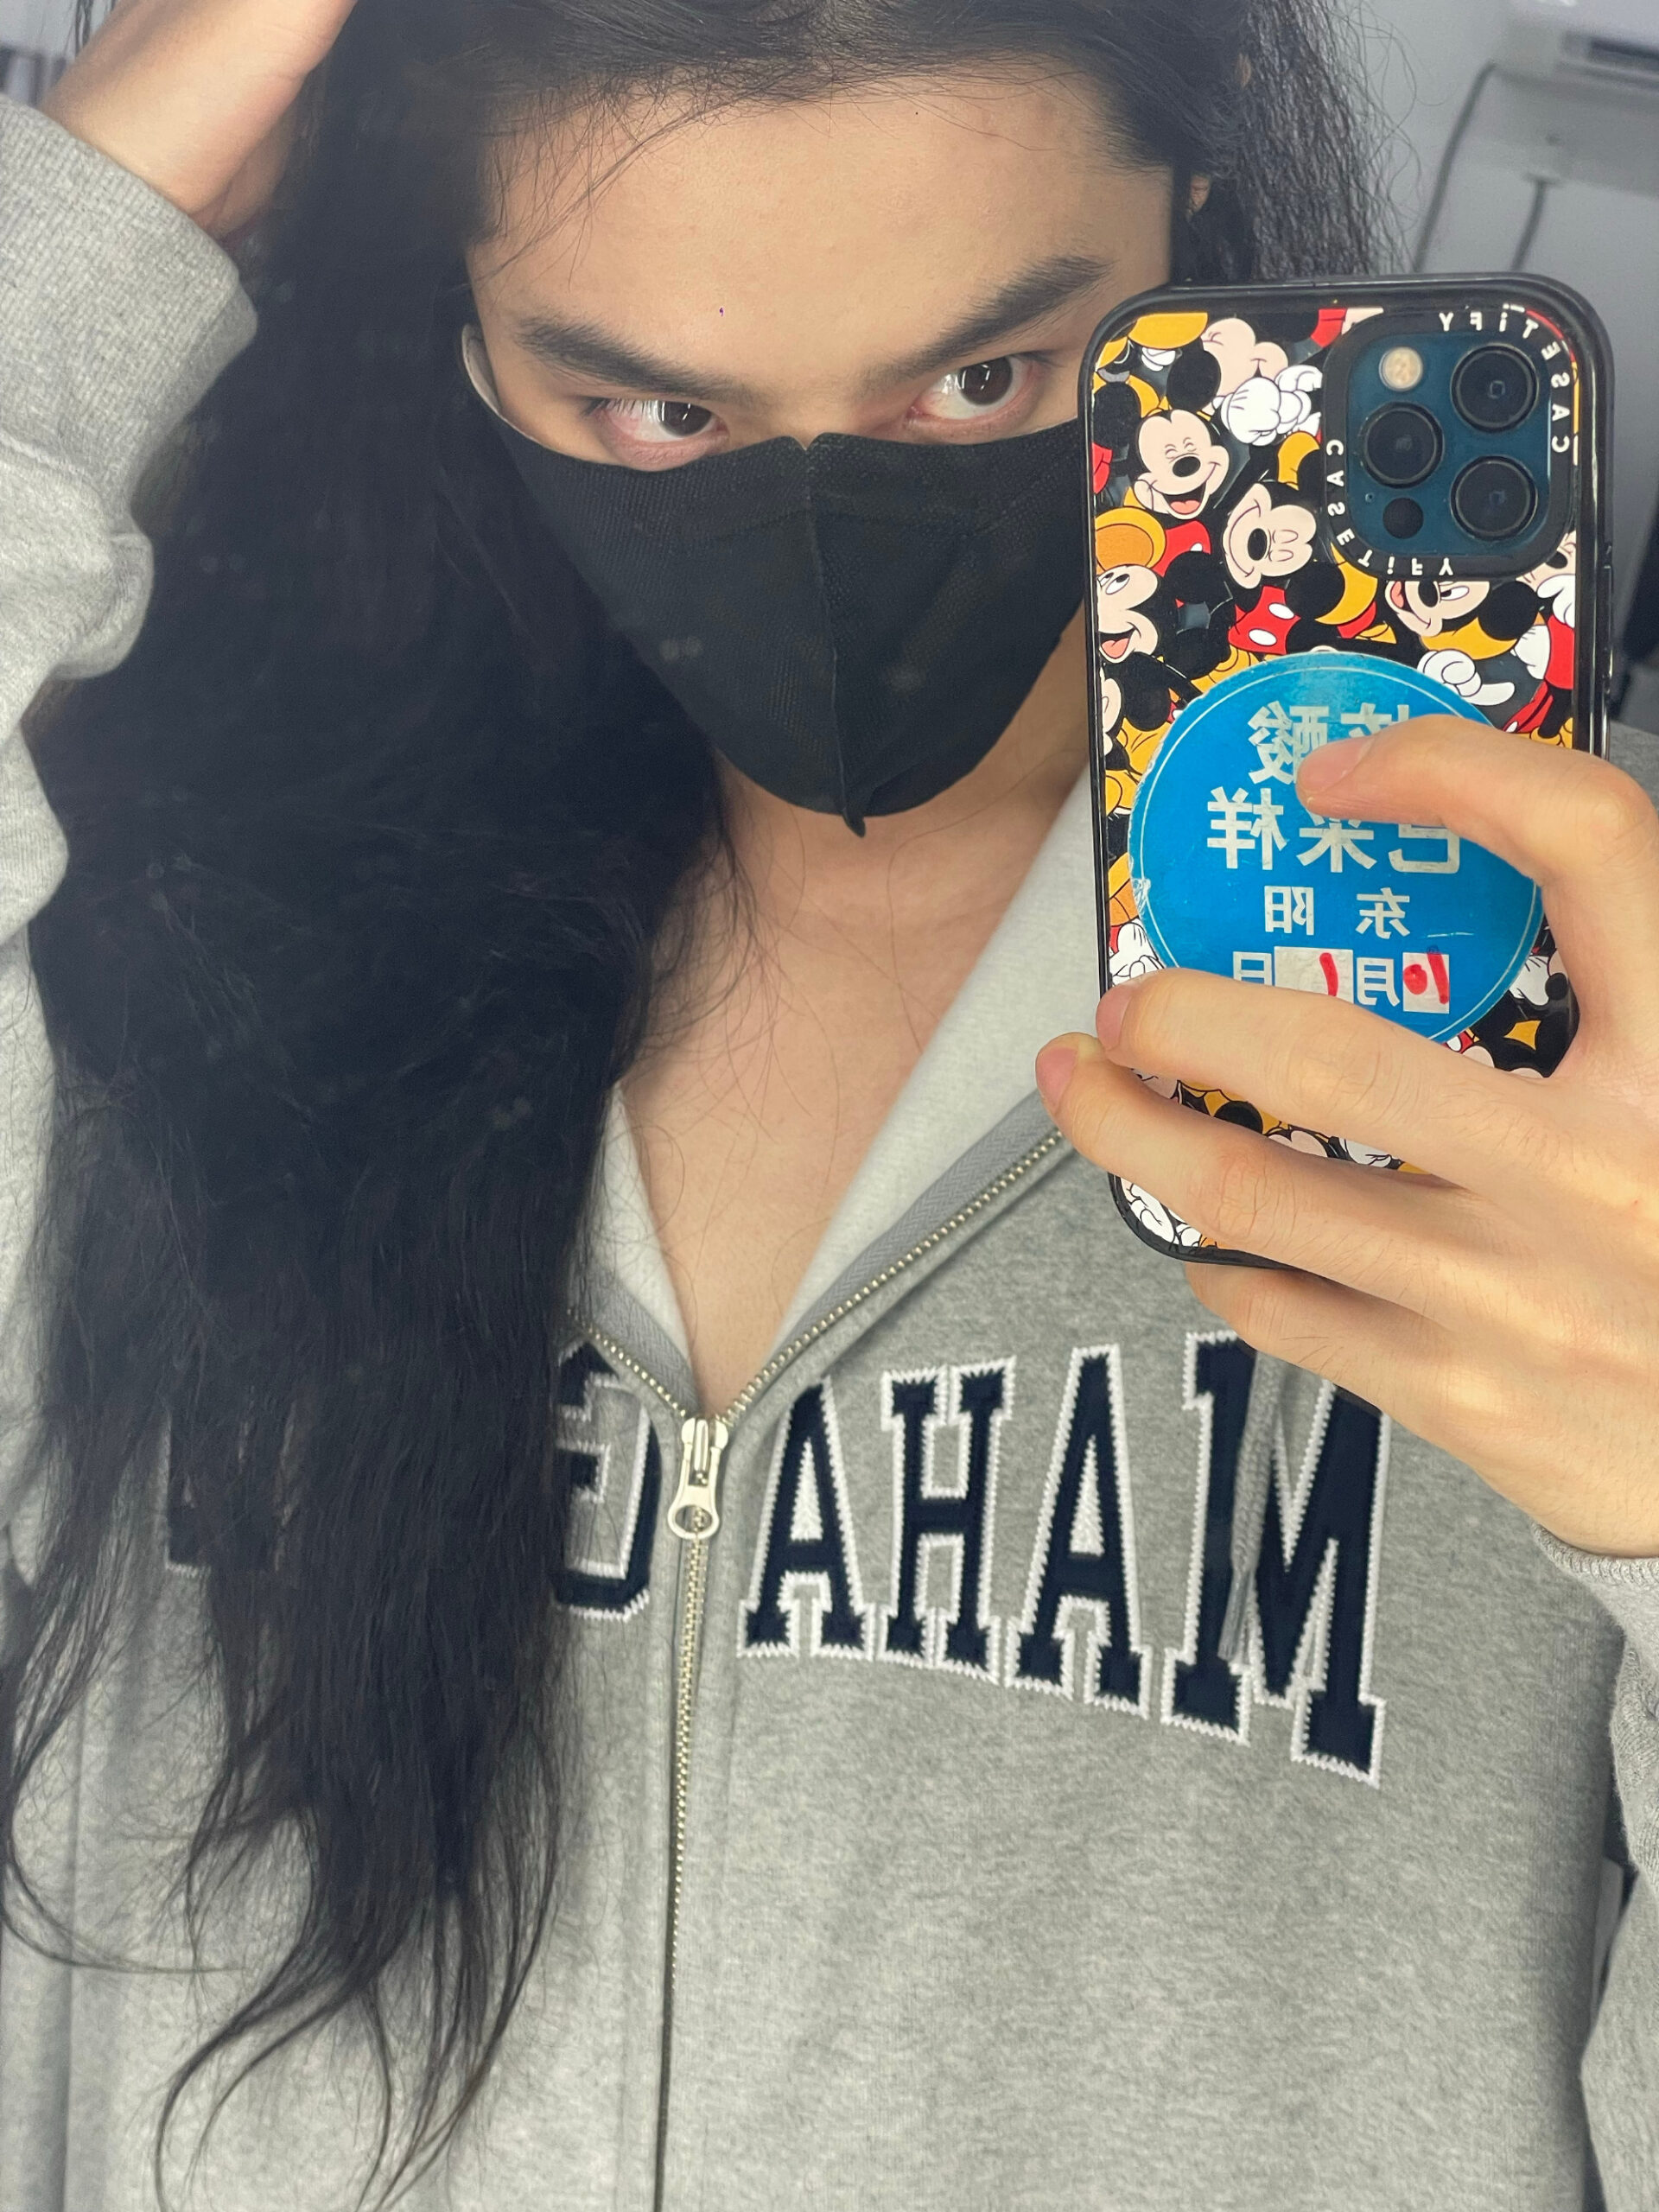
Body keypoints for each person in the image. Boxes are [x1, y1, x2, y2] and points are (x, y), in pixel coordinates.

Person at [2, 0, 1657, 2207]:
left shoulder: (1608, 1037)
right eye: (659, 409)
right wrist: (70, 260)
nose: (823, 541)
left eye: (983, 379)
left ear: (1199, 202)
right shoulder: (152, 933)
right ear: (465, 333)